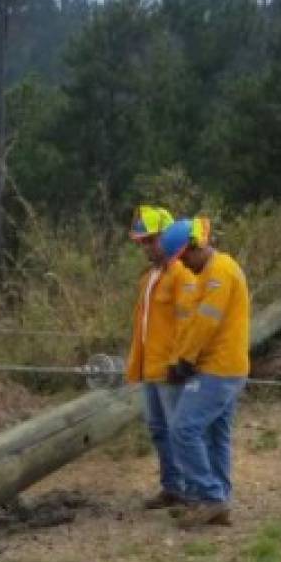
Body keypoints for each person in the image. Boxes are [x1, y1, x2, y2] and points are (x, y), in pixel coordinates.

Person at [159, 218, 250, 527]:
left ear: (197, 246)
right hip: (225, 366)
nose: (184, 263)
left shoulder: (219, 274)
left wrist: (183, 360)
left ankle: (210, 497)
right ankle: (219, 500)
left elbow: (205, 323)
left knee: (183, 429)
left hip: (218, 368)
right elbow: (193, 322)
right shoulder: (211, 272)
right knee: (215, 434)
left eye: (185, 257)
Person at [124, 205, 197, 510]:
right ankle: (172, 487)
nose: (145, 247)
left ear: (166, 237)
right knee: (159, 429)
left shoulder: (181, 274)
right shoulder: (151, 277)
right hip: (150, 368)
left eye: (150, 240)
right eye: (142, 242)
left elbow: (188, 321)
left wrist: (180, 361)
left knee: (180, 430)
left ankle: (194, 491)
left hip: (170, 368)